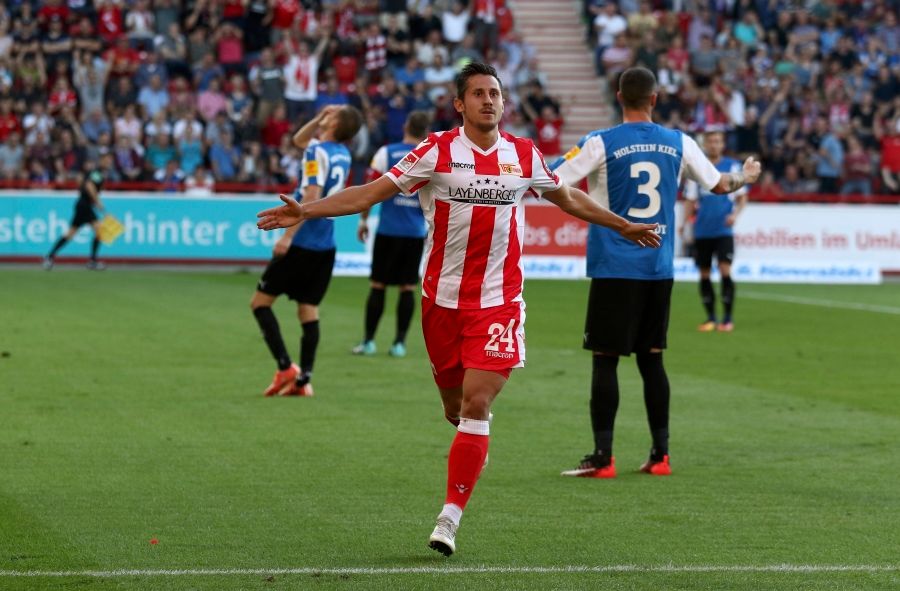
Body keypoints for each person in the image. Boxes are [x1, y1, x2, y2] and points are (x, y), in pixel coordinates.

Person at [255, 62, 661, 556]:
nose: (489, 100)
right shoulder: (435, 152)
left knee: (476, 402)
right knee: (455, 407)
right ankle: (473, 446)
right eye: (479, 94)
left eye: (496, 93)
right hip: (441, 302)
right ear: (460, 104)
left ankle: (449, 516)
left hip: (499, 302)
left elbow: (569, 198)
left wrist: (622, 225)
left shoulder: (523, 154)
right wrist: (306, 209)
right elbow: (371, 192)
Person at [551, 67, 761, 480]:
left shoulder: (599, 142)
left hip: (614, 266)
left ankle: (603, 457)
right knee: (652, 360)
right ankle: (660, 455)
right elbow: (720, 184)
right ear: (656, 99)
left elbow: (552, 179)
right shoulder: (679, 142)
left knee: (605, 359)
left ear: (618, 97)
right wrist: (747, 177)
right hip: (658, 269)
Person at [250, 104, 363, 398]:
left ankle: (287, 367)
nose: (329, 114)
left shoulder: (317, 152)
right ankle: (305, 380)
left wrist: (287, 237)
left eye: (334, 114)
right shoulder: (341, 153)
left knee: (260, 304)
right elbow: (300, 141)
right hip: (326, 243)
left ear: (336, 124)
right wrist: (318, 119)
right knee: (307, 308)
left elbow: (310, 194)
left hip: (302, 241)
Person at [352, 110, 431, 358]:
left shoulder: (386, 153)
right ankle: (399, 344)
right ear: (426, 133)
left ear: (406, 125)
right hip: (415, 233)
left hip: (388, 230)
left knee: (378, 285)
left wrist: (363, 221)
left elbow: (370, 191)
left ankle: (368, 342)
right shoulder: (429, 157)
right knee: (407, 288)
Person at [680, 129, 749, 332]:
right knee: (704, 273)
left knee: (725, 269)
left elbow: (742, 197)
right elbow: (690, 200)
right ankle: (710, 317)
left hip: (723, 229)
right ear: (706, 144)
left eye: (718, 141)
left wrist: (735, 215)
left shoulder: (732, 166)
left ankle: (727, 318)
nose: (714, 144)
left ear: (722, 144)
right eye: (711, 141)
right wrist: (684, 224)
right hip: (702, 229)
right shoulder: (698, 169)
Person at [44, 153, 115, 270]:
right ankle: (92, 261)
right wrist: (98, 202)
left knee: (71, 233)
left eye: (110, 160)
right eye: (107, 160)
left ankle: (49, 257)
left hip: (82, 205)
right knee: (99, 230)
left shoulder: (99, 173)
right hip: (85, 205)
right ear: (101, 160)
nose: (109, 162)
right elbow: (89, 186)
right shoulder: (97, 173)